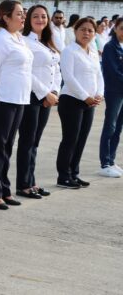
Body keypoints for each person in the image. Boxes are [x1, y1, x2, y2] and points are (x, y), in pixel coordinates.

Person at [0, 0, 33, 210]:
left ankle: (3, 187)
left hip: (19, 98)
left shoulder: (19, 38)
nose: (23, 17)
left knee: (8, 146)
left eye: (24, 14)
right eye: (19, 14)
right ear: (6, 17)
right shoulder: (0, 40)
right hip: (2, 99)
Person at [15, 5, 60, 198]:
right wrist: (44, 93)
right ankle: (23, 185)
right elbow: (28, 72)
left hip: (48, 97)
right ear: (28, 19)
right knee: (27, 141)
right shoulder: (24, 41)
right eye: (36, 16)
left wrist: (55, 91)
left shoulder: (48, 42)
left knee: (35, 142)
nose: (40, 19)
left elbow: (56, 69)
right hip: (32, 96)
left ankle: (31, 181)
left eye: (43, 16)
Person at [56, 17, 104, 188]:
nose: (86, 33)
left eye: (90, 30)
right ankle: (63, 176)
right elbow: (68, 77)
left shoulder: (92, 51)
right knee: (70, 139)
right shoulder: (70, 51)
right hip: (72, 101)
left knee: (82, 139)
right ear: (75, 31)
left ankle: (73, 173)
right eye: (83, 29)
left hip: (89, 102)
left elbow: (99, 74)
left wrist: (99, 94)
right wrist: (85, 96)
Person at [99, 17, 123, 177]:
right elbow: (113, 72)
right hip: (114, 91)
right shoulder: (110, 47)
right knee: (110, 126)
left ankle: (112, 160)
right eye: (122, 28)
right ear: (115, 28)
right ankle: (105, 162)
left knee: (118, 127)